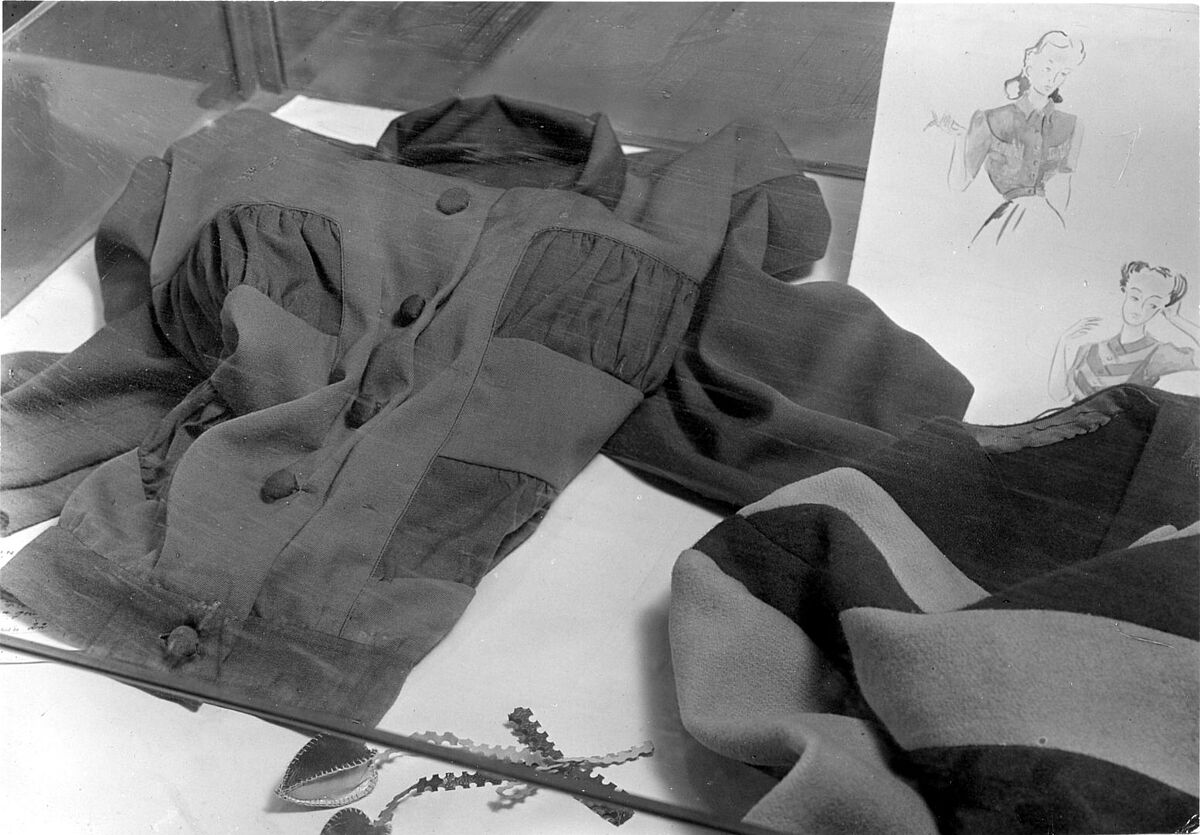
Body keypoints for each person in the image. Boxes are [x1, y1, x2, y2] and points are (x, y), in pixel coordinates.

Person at [929, 31, 1086, 245]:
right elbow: (958, 184)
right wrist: (959, 139)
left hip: (1049, 226)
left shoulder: (1072, 125)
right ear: (1030, 64)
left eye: (1063, 73)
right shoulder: (990, 119)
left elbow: (1064, 193)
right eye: (1048, 68)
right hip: (1005, 224)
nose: (1052, 79)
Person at [1048, 261, 1198, 402]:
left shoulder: (1157, 353)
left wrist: (1175, 318)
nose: (1140, 309)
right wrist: (1063, 341)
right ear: (1125, 290)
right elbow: (1058, 394)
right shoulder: (1089, 350)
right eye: (1135, 298)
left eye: (1152, 305)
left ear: (1161, 308)